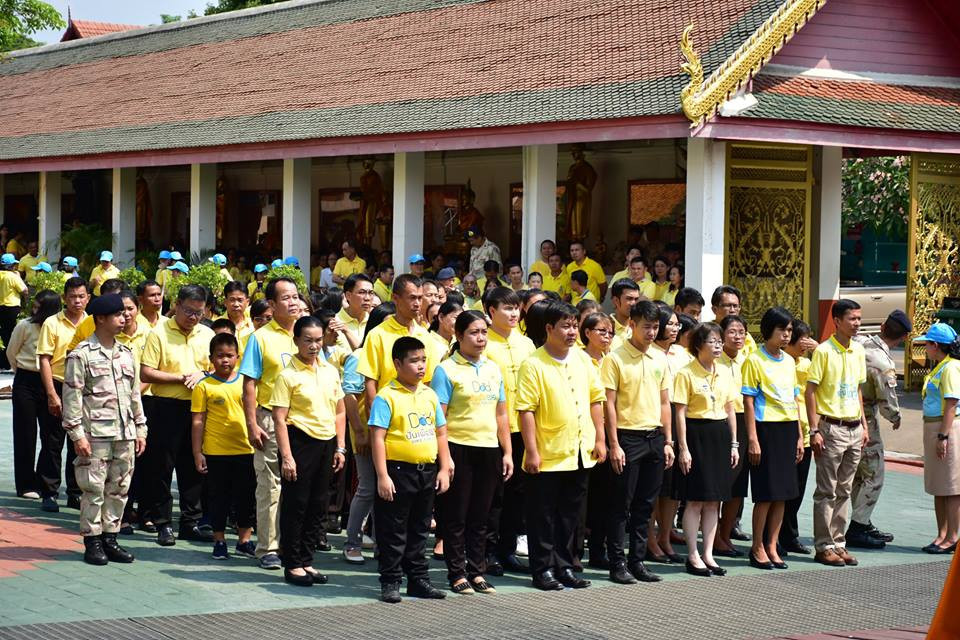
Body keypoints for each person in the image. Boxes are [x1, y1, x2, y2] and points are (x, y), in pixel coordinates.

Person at [516, 301, 606, 591]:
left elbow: (596, 400)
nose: (571, 332)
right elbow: (526, 410)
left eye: (573, 325)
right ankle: (542, 569)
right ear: (549, 328)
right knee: (542, 515)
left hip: (580, 451)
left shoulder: (582, 359)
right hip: (547, 453)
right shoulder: (533, 363)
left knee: (570, 515)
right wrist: (531, 450)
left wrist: (601, 438)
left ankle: (565, 565)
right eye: (565, 326)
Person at [62, 293, 147, 565]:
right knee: (93, 489)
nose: (124, 319)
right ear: (100, 319)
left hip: (124, 433)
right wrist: (77, 435)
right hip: (95, 434)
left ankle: (111, 538)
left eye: (125, 314)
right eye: (118, 315)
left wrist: (141, 427)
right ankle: (92, 540)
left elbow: (135, 394)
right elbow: (72, 398)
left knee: (119, 489)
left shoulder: (126, 353)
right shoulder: (81, 355)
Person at [431, 311, 512, 594]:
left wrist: (507, 452)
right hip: (457, 448)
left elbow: (502, 414)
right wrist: (445, 458)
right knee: (456, 515)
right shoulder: (446, 370)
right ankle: (457, 573)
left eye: (484, 333)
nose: (480, 338)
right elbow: (439, 418)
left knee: (482, 515)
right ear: (458, 336)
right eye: (474, 333)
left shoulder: (493, 368)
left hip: (489, 449)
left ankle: (477, 572)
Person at [370, 336, 453, 603]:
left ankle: (418, 580)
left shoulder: (429, 394)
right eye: (414, 360)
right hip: (397, 471)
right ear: (397, 363)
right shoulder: (387, 396)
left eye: (423, 360)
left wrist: (444, 465)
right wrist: (382, 475)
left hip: (426, 470)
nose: (420, 366)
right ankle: (391, 580)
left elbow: (441, 432)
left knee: (419, 528)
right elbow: (377, 438)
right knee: (393, 529)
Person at [271, 315, 347, 586]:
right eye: (308, 341)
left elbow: (340, 411)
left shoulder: (329, 370)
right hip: (299, 440)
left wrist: (340, 446)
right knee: (297, 505)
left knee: (318, 505)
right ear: (296, 341)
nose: (313, 346)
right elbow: (279, 418)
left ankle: (307, 560)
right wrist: (287, 456)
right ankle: (292, 564)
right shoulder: (287, 374)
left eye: (318, 340)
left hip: (327, 442)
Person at [602, 300, 673, 584]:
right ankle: (617, 563)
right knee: (621, 504)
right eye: (646, 326)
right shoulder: (615, 358)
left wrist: (668, 441)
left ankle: (638, 560)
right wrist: (614, 443)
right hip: (627, 438)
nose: (652, 332)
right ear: (631, 324)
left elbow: (665, 402)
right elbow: (609, 404)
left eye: (656, 327)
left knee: (645, 505)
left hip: (654, 437)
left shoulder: (660, 358)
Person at [139, 285, 216, 546]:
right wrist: (181, 378)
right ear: (176, 306)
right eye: (188, 311)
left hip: (199, 410)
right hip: (165, 407)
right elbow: (146, 373)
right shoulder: (158, 333)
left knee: (194, 467)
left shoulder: (207, 334)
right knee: (162, 466)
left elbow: (219, 368)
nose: (193, 317)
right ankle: (162, 522)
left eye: (199, 312)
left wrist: (203, 375)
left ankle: (190, 522)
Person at [238, 276, 300, 570]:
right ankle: (268, 547)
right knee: (270, 484)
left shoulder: (308, 333)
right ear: (272, 305)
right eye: (286, 298)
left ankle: (294, 543)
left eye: (296, 296)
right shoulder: (260, 337)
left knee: (299, 486)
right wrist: (252, 424)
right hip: (270, 419)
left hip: (305, 421)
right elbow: (249, 384)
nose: (293, 302)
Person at [673, 322, 739, 577]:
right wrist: (684, 448)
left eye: (719, 341)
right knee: (695, 500)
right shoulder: (685, 373)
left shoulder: (724, 372)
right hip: (696, 435)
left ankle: (708, 553)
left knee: (715, 501)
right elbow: (680, 413)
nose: (718, 346)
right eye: (712, 341)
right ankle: (692, 555)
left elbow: (730, 408)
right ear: (699, 344)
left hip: (719, 435)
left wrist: (734, 443)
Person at [806, 299, 868, 567]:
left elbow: (857, 390)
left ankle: (839, 543)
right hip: (831, 428)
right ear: (837, 321)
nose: (857, 323)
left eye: (858, 318)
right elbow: (811, 391)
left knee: (844, 489)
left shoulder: (858, 351)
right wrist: (814, 429)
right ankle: (823, 546)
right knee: (826, 490)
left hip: (854, 427)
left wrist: (864, 425)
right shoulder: (823, 351)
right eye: (852, 319)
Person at [742, 307, 802, 570]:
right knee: (765, 494)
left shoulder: (790, 362)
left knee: (783, 494)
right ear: (769, 330)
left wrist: (800, 436)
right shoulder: (754, 360)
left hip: (788, 429)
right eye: (782, 330)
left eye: (790, 330)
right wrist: (753, 439)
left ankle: (772, 544)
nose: (786, 336)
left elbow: (794, 400)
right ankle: (757, 547)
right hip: (766, 430)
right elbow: (748, 401)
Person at [848, 309, 911, 549]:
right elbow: (887, 400)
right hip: (866, 418)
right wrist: (895, 416)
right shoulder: (883, 362)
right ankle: (858, 526)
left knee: (857, 474)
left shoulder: (859, 341)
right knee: (874, 474)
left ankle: (861, 521)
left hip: (844, 411)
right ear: (904, 337)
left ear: (883, 325)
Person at [190, 332, 257, 560]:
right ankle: (219, 541)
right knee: (219, 499)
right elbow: (198, 421)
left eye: (230, 355)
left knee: (246, 499)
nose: (225, 360)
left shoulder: (246, 383)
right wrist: (198, 452)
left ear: (238, 357)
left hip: (246, 450)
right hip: (216, 452)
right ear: (211, 358)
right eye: (220, 356)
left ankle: (244, 541)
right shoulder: (204, 386)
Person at [483, 287, 536, 574]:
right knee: (493, 495)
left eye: (517, 308)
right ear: (492, 312)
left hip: (522, 429)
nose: (514, 313)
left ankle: (507, 550)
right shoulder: (483, 343)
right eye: (507, 308)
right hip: (491, 430)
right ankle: (486, 552)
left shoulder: (527, 344)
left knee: (517, 496)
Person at [341, 303, 395, 564]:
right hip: (365, 430)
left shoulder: (398, 354)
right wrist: (360, 432)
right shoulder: (359, 355)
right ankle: (352, 541)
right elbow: (350, 396)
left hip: (393, 431)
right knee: (367, 488)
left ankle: (380, 540)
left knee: (388, 488)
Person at [37, 276, 89, 512]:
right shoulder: (52, 322)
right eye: (72, 297)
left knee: (79, 442)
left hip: (84, 390)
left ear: (88, 297)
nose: (77, 301)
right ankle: (49, 491)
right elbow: (44, 359)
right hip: (58, 384)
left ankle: (75, 492)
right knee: (52, 441)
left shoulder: (94, 322)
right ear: (64, 298)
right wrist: (51, 394)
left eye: (81, 296)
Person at [648, 306, 692, 564]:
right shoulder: (650, 353)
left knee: (673, 487)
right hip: (655, 419)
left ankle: (665, 536)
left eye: (678, 325)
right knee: (655, 485)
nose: (676, 329)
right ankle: (650, 538)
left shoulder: (682, 354)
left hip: (680, 418)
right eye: (671, 324)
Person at [8, 290, 61, 498]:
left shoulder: (58, 327)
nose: (34, 310)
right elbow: (12, 352)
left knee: (51, 435)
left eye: (39, 307)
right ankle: (25, 484)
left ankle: (44, 481)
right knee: (25, 434)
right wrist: (21, 371)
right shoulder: (25, 326)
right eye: (34, 306)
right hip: (26, 381)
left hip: (52, 381)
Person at [915, 323, 960, 554]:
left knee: (951, 487)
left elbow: (951, 403)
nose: (925, 349)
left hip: (946, 428)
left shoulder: (950, 368)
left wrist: (943, 435)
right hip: (933, 428)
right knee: (938, 486)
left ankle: (952, 536)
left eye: (927, 345)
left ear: (936, 345)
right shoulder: (939, 367)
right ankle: (941, 534)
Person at [715, 314, 751, 554]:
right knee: (719, 484)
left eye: (741, 332)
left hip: (744, 422)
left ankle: (726, 535)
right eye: (732, 332)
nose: (738, 337)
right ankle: (714, 536)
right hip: (720, 422)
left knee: (738, 485)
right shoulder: (714, 361)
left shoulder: (748, 361)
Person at [780, 319, 815, 555]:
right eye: (800, 338)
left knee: (798, 488)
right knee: (782, 489)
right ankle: (776, 536)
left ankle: (789, 535)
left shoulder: (808, 364)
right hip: (785, 430)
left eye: (807, 338)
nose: (804, 343)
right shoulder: (782, 363)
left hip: (806, 433)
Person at [0, 252, 27, 370]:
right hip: (12, 307)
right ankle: (10, 362)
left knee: (3, 334)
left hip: (1, 307)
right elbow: (24, 290)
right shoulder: (13, 276)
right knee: (13, 335)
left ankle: (3, 362)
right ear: (11, 265)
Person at [712, 285, 756, 354]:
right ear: (714, 309)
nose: (732, 310)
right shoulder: (705, 333)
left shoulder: (746, 338)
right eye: (727, 305)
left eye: (735, 306)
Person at [336, 274, 374, 352]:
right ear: (348, 296)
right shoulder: (335, 323)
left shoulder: (374, 322)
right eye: (362, 292)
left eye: (371, 293)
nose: (367, 298)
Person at [608, 278, 641, 347]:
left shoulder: (640, 327)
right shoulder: (604, 328)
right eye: (629, 298)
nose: (633, 303)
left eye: (636, 299)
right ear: (616, 301)